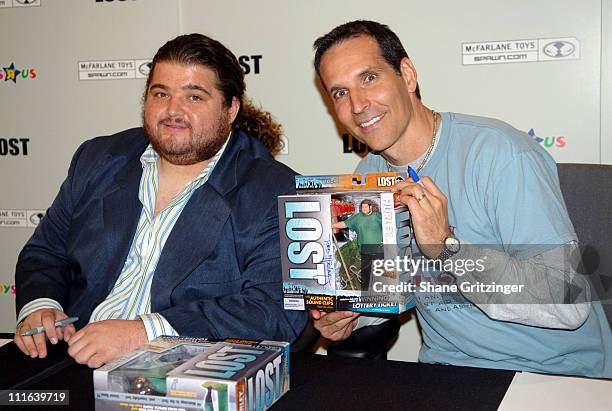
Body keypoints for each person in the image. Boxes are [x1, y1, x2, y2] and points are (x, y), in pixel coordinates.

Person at [310, 20, 611, 377]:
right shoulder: (370, 173)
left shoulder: (499, 153)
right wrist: (350, 318)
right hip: (449, 370)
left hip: (549, 373)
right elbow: (396, 284)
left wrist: (449, 248)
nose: (358, 104)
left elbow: (568, 303)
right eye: (340, 93)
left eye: (369, 78)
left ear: (407, 75)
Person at [14, 33, 307, 368]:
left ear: (231, 109)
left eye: (194, 97)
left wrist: (144, 332)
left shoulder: (273, 188)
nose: (172, 111)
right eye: (160, 93)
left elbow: (274, 310)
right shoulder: (98, 159)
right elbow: (45, 251)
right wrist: (42, 305)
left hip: (181, 374)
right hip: (71, 356)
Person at [333, 199, 383, 290]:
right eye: (362, 206)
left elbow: (388, 226)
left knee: (379, 273)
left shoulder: (377, 216)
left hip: (379, 250)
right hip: (364, 251)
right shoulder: (357, 217)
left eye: (366, 206)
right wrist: (332, 225)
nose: (364, 208)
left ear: (370, 207)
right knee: (366, 274)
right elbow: (345, 224)